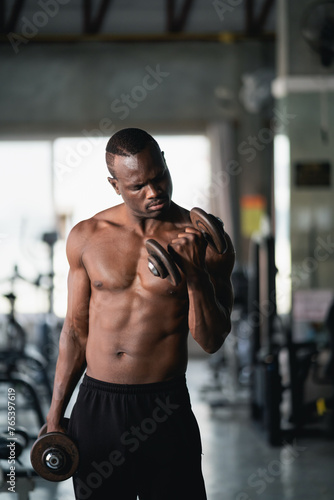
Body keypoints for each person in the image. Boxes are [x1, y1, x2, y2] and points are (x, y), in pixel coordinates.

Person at [46, 128, 235, 500]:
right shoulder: (87, 236)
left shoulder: (204, 243)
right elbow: (75, 331)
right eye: (137, 186)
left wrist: (195, 275)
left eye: (159, 176)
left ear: (164, 161)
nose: (154, 192)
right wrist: (55, 415)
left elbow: (212, 342)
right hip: (97, 407)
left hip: (164, 406)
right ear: (114, 184)